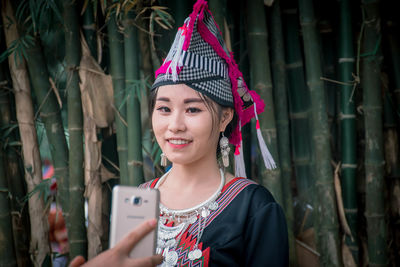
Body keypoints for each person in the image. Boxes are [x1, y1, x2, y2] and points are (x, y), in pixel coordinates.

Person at [141, 0, 288, 266]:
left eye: (193, 109)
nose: (175, 124)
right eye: (164, 108)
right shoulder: (139, 201)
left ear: (224, 118)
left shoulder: (252, 207)